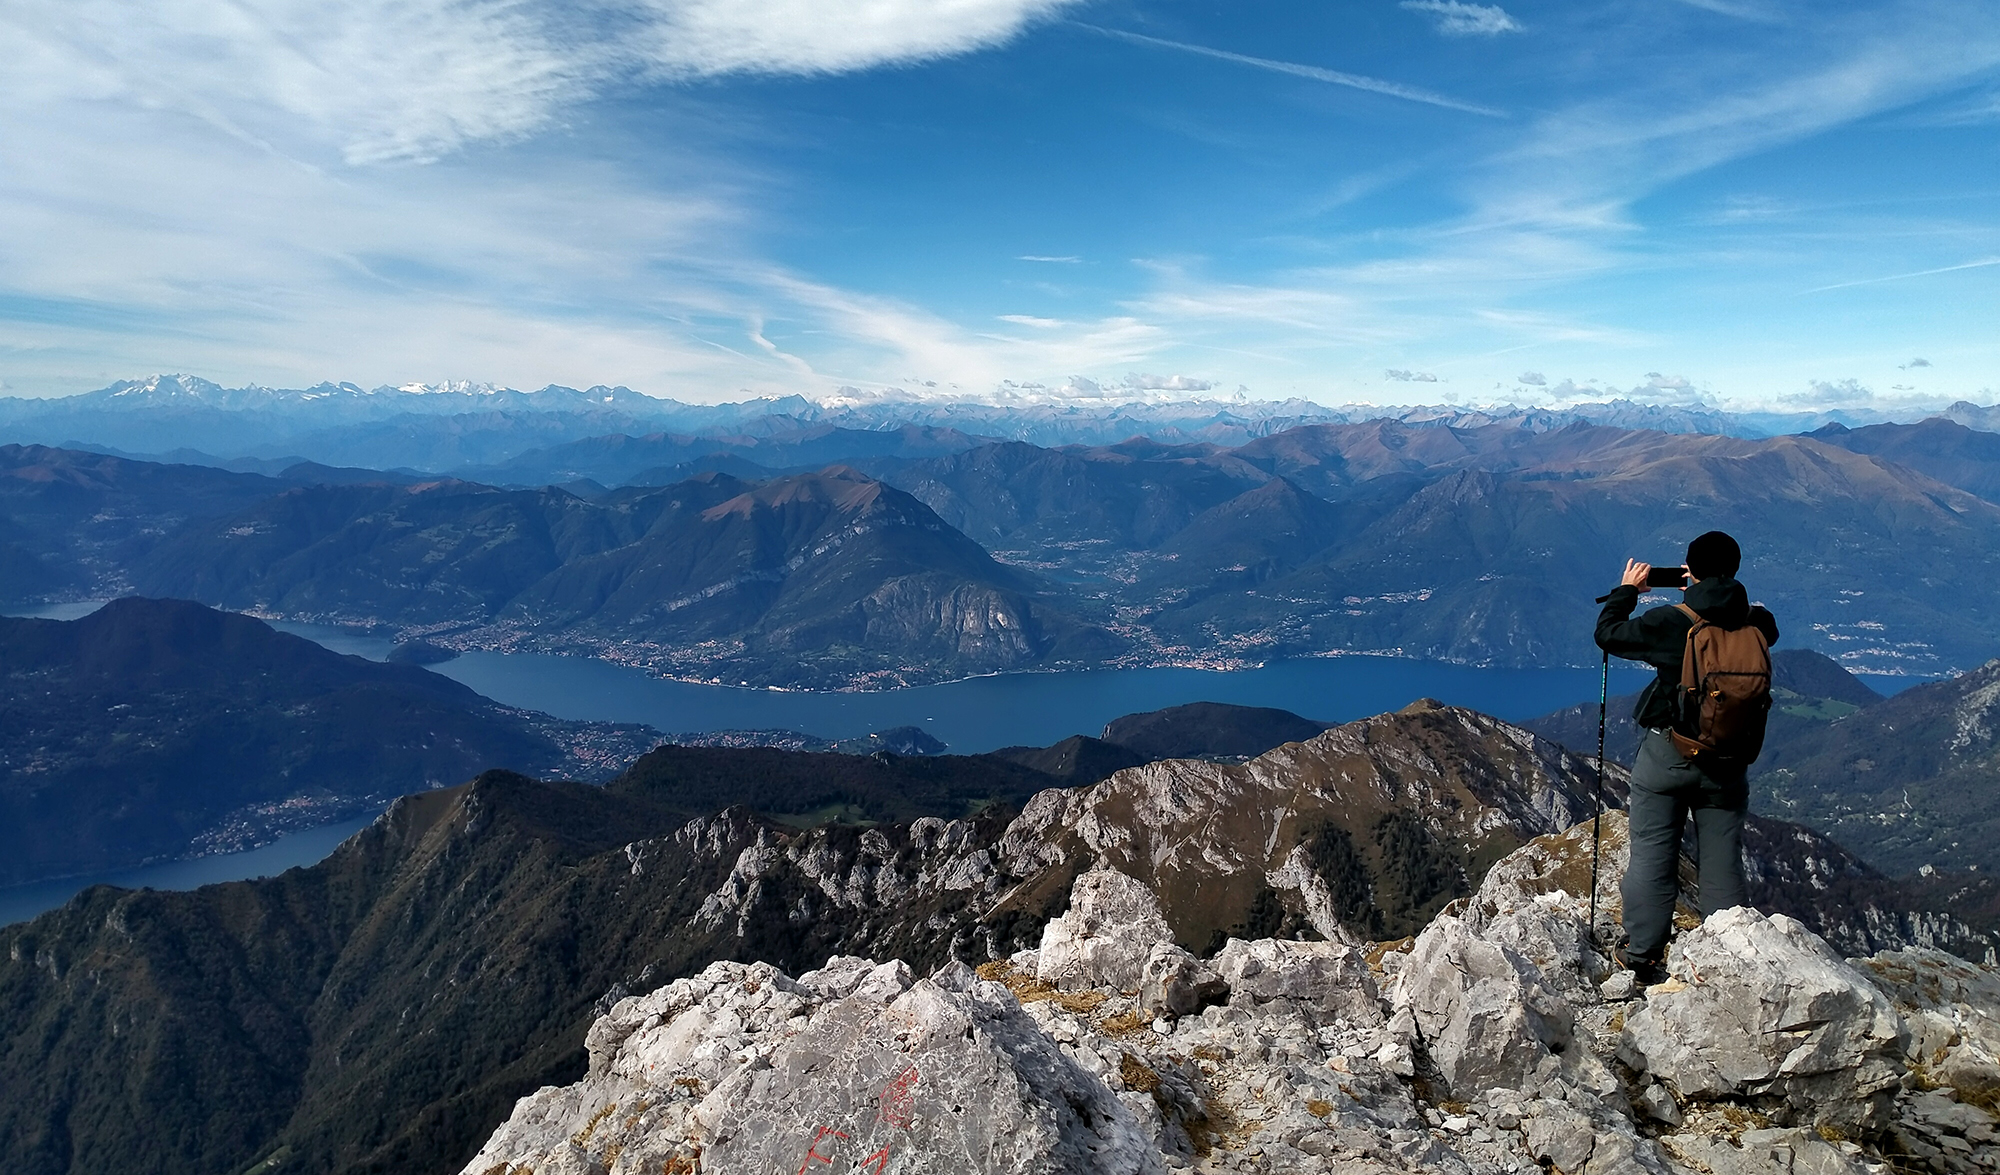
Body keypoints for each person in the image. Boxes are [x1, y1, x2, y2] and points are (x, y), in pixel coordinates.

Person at [1594, 530, 1777, 985]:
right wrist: (1707, 590)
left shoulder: (1675, 622)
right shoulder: (1758, 623)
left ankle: (1642, 954)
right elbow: (1760, 619)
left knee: (1653, 856)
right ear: (1735, 570)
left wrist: (1627, 592)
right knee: (1722, 864)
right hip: (1729, 761)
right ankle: (1728, 955)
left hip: (1669, 756)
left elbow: (1608, 634)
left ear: (1688, 571)